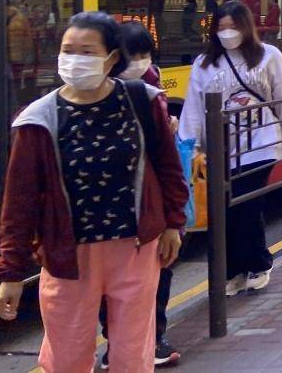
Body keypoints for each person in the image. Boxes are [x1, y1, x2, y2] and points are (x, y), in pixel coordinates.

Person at [0, 12, 187, 373]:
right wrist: (10, 274)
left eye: (86, 51)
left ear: (112, 58)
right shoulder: (38, 119)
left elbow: (168, 166)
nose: (74, 59)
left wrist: (174, 222)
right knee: (66, 358)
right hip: (68, 255)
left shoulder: (142, 101)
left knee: (131, 357)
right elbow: (18, 203)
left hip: (135, 248)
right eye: (68, 50)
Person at [178, 0, 282, 296]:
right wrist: (189, 145)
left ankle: (258, 263)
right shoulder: (204, 64)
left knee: (246, 204)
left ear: (246, 27)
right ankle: (233, 272)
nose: (227, 33)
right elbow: (194, 108)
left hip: (262, 143)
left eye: (233, 27)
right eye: (221, 28)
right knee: (225, 212)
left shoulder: (269, 56)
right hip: (222, 150)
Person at [96, 21, 182, 367]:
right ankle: (115, 342)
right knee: (111, 283)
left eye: (146, 54)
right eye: (135, 55)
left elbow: (169, 165)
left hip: (152, 208)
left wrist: (173, 220)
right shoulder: (96, 94)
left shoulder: (152, 92)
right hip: (114, 214)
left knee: (158, 273)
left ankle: (153, 338)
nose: (141, 62)